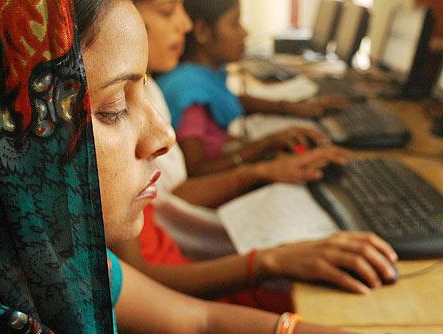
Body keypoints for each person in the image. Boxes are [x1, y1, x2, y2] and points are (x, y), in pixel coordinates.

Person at [0, 0, 443, 333]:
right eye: (110, 109)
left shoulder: (62, 255)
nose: (163, 135)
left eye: (143, 88)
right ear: (3, 132)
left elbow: (200, 323)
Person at [109, 0, 399, 314]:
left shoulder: (151, 93)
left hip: (190, 282)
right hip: (191, 287)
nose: (186, 24)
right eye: (112, 111)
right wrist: (270, 258)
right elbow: (153, 282)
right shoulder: (113, 174)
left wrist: (263, 158)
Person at [156, 0, 348, 177]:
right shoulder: (189, 92)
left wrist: (292, 108)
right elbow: (196, 170)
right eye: (235, 24)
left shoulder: (202, 76)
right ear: (203, 31)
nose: (245, 33)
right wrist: (263, 145)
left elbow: (232, 99)